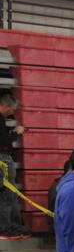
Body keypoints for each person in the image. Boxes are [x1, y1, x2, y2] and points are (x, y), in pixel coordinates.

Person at [0, 93, 29, 239]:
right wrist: (17, 133)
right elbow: (3, 140)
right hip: (3, 160)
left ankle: (10, 226)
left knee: (7, 194)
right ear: (5, 106)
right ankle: (6, 228)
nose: (12, 112)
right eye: (12, 109)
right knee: (7, 194)